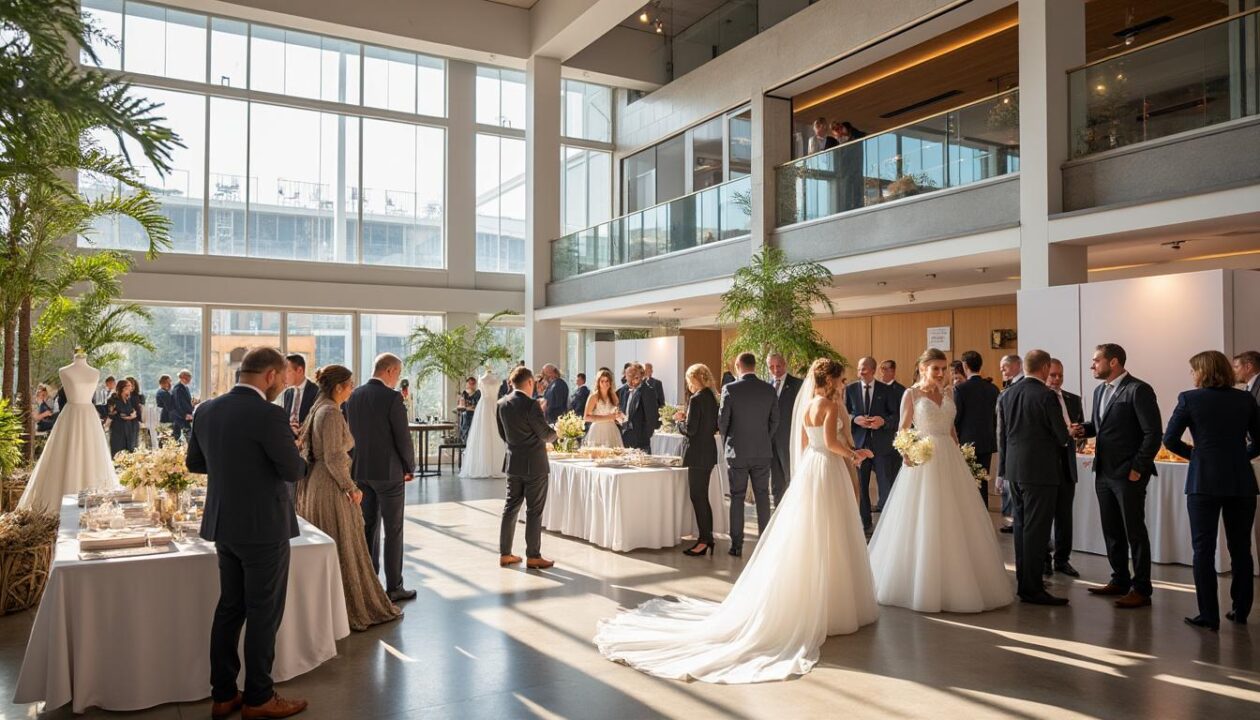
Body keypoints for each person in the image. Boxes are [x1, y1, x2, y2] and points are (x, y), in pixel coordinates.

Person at [596, 357, 877, 683]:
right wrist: (854, 455)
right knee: (828, 530)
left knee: (808, 530)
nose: (844, 384)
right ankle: (831, 601)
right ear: (830, 381)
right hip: (820, 466)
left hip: (806, 468)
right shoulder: (825, 405)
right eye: (841, 380)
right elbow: (820, 440)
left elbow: (799, 442)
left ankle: (742, 547)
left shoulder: (808, 403)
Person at [186, 347, 308, 720]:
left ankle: (223, 695)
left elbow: (195, 463)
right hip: (264, 527)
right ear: (270, 375)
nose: (284, 384)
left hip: (225, 525)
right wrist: (294, 446)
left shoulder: (207, 409)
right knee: (263, 613)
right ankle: (259, 698)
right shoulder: (269, 416)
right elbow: (293, 471)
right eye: (284, 377)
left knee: (230, 608)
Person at [869, 348, 1015, 612]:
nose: (940, 373)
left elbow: (951, 429)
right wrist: (905, 453)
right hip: (923, 459)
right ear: (922, 368)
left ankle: (958, 580)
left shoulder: (949, 393)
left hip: (949, 457)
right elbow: (902, 429)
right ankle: (921, 583)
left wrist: (962, 457)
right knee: (925, 517)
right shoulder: (911, 394)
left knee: (955, 517)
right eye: (935, 368)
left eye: (944, 368)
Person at [295, 365, 402, 632]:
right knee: (343, 542)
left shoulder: (319, 407)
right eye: (350, 384)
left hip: (316, 483)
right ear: (339, 387)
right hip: (330, 485)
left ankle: (330, 608)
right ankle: (350, 608)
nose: (353, 389)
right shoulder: (330, 411)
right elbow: (332, 456)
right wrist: (350, 487)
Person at [1163, 350, 1260, 631]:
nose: (1191, 375)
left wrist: (1197, 455)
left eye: (1194, 370)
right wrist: (1241, 456)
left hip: (1203, 481)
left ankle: (1209, 615)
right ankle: (1240, 610)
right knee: (1241, 547)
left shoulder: (1189, 399)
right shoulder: (1245, 399)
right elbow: (1259, 440)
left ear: (1203, 372)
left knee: (1202, 550)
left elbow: (1169, 440)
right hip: (1240, 481)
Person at [1071, 343, 1162, 610]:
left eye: (1096, 360)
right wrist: (1082, 430)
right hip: (1104, 472)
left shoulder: (1138, 389)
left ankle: (1142, 589)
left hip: (1128, 474)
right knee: (1111, 529)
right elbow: (1100, 426)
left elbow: (1152, 433)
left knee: (1134, 531)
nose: (1092, 366)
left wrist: (1138, 467)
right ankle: (1119, 579)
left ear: (1113, 362)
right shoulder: (1100, 391)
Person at [995, 349, 1073, 606]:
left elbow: (1002, 437)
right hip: (1041, 471)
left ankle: (1024, 583)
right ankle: (1032, 589)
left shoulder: (1006, 395)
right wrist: (1067, 431)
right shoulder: (1046, 396)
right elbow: (1062, 437)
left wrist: (1003, 471)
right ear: (1045, 368)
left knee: (1021, 528)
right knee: (1037, 531)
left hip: (1015, 471)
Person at [344, 353, 417, 603]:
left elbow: (349, 436)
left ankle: (368, 582)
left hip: (361, 470)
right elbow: (402, 437)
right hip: (389, 472)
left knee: (368, 526)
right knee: (393, 529)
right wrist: (410, 466)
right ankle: (394, 586)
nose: (397, 379)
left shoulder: (353, 396)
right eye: (397, 374)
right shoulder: (392, 397)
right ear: (389, 371)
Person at [497, 366, 557, 570]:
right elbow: (545, 434)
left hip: (513, 463)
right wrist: (557, 432)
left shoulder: (502, 403)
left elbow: (503, 433)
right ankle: (533, 556)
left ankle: (505, 554)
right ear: (530, 382)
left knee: (510, 507)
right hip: (535, 465)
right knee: (534, 511)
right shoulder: (531, 405)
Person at [718, 352, 779, 556]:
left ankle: (736, 545)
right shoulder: (769, 389)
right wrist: (764, 439)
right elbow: (775, 421)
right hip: (762, 451)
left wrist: (728, 441)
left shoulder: (730, 389)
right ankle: (765, 542)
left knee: (737, 497)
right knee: (763, 496)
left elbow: (723, 422)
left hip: (737, 451)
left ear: (738, 366)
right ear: (755, 365)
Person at [844, 357, 897, 534]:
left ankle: (888, 527)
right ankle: (865, 524)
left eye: (864, 369)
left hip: (882, 446)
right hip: (859, 446)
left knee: (885, 486)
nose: (860, 373)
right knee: (861, 485)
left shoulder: (886, 390)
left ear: (873, 370)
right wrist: (854, 419)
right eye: (859, 369)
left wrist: (883, 421)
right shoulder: (850, 389)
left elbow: (896, 417)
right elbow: (844, 414)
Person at [1044, 358, 1083, 578]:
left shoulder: (1073, 400)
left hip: (1067, 464)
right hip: (1046, 464)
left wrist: (1080, 433)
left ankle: (1062, 559)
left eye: (1060, 375)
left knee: (1064, 517)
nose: (1057, 379)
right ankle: (1044, 560)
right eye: (1053, 375)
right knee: (1044, 517)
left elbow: (1082, 432)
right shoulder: (1039, 399)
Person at [676, 364, 720, 556]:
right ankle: (707, 537)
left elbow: (691, 430)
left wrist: (679, 421)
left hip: (697, 454)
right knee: (703, 497)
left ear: (694, 379)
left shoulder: (696, 398)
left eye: (688, 380)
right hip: (709, 451)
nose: (688, 384)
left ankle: (704, 540)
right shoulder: (712, 397)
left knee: (698, 497)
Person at [954, 350, 1000, 504]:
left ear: (965, 366)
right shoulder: (993, 389)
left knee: (967, 483)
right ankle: (983, 517)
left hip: (966, 443)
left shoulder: (961, 389)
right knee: (982, 481)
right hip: (987, 441)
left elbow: (956, 418)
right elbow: (996, 418)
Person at [766, 352, 802, 507]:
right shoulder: (766, 386)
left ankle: (793, 510)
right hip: (770, 440)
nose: (775, 370)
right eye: (771, 367)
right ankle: (778, 511)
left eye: (778, 366)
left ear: (785, 365)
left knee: (791, 477)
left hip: (789, 439)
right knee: (776, 481)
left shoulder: (797, 385)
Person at [994, 353, 1024, 532]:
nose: (1002, 371)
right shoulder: (1009, 389)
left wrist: (1001, 469)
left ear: (1016, 366)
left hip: (1014, 454)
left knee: (1019, 507)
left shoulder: (1009, 392)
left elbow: (1002, 432)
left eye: (1004, 367)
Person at [461, 368, 507, 479]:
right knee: (483, 433)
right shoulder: (482, 378)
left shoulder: (495, 378)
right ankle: (485, 464)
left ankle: (497, 465)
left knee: (496, 432)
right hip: (485, 406)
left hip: (491, 405)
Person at [620, 363, 660, 452]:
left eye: (634, 376)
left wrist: (645, 436)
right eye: (628, 376)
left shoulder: (648, 391)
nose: (630, 379)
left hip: (641, 441)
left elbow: (652, 417)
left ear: (640, 376)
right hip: (624, 438)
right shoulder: (622, 391)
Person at [583, 369, 624, 448]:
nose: (605, 383)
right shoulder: (594, 397)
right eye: (602, 381)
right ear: (598, 382)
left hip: (612, 430)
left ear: (610, 382)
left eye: (607, 381)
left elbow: (618, 411)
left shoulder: (613, 395)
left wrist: (619, 416)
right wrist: (608, 417)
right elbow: (586, 417)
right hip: (598, 430)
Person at [281, 354, 318, 436]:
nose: (283, 376)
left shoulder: (316, 392)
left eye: (287, 371)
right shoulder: (287, 393)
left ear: (299, 370)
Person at [106, 378, 140, 456]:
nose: (131, 388)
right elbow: (121, 415)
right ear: (123, 388)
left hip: (128, 428)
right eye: (129, 386)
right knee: (119, 451)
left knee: (130, 451)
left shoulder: (127, 399)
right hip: (118, 429)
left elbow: (132, 411)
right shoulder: (113, 400)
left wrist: (133, 414)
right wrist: (131, 416)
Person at [171, 370, 195, 442]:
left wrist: (193, 405)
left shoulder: (186, 388)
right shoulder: (177, 389)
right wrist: (184, 415)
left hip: (186, 415)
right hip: (180, 416)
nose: (189, 380)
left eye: (189, 378)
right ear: (182, 378)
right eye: (187, 378)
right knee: (185, 436)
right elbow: (178, 404)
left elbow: (186, 402)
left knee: (186, 436)